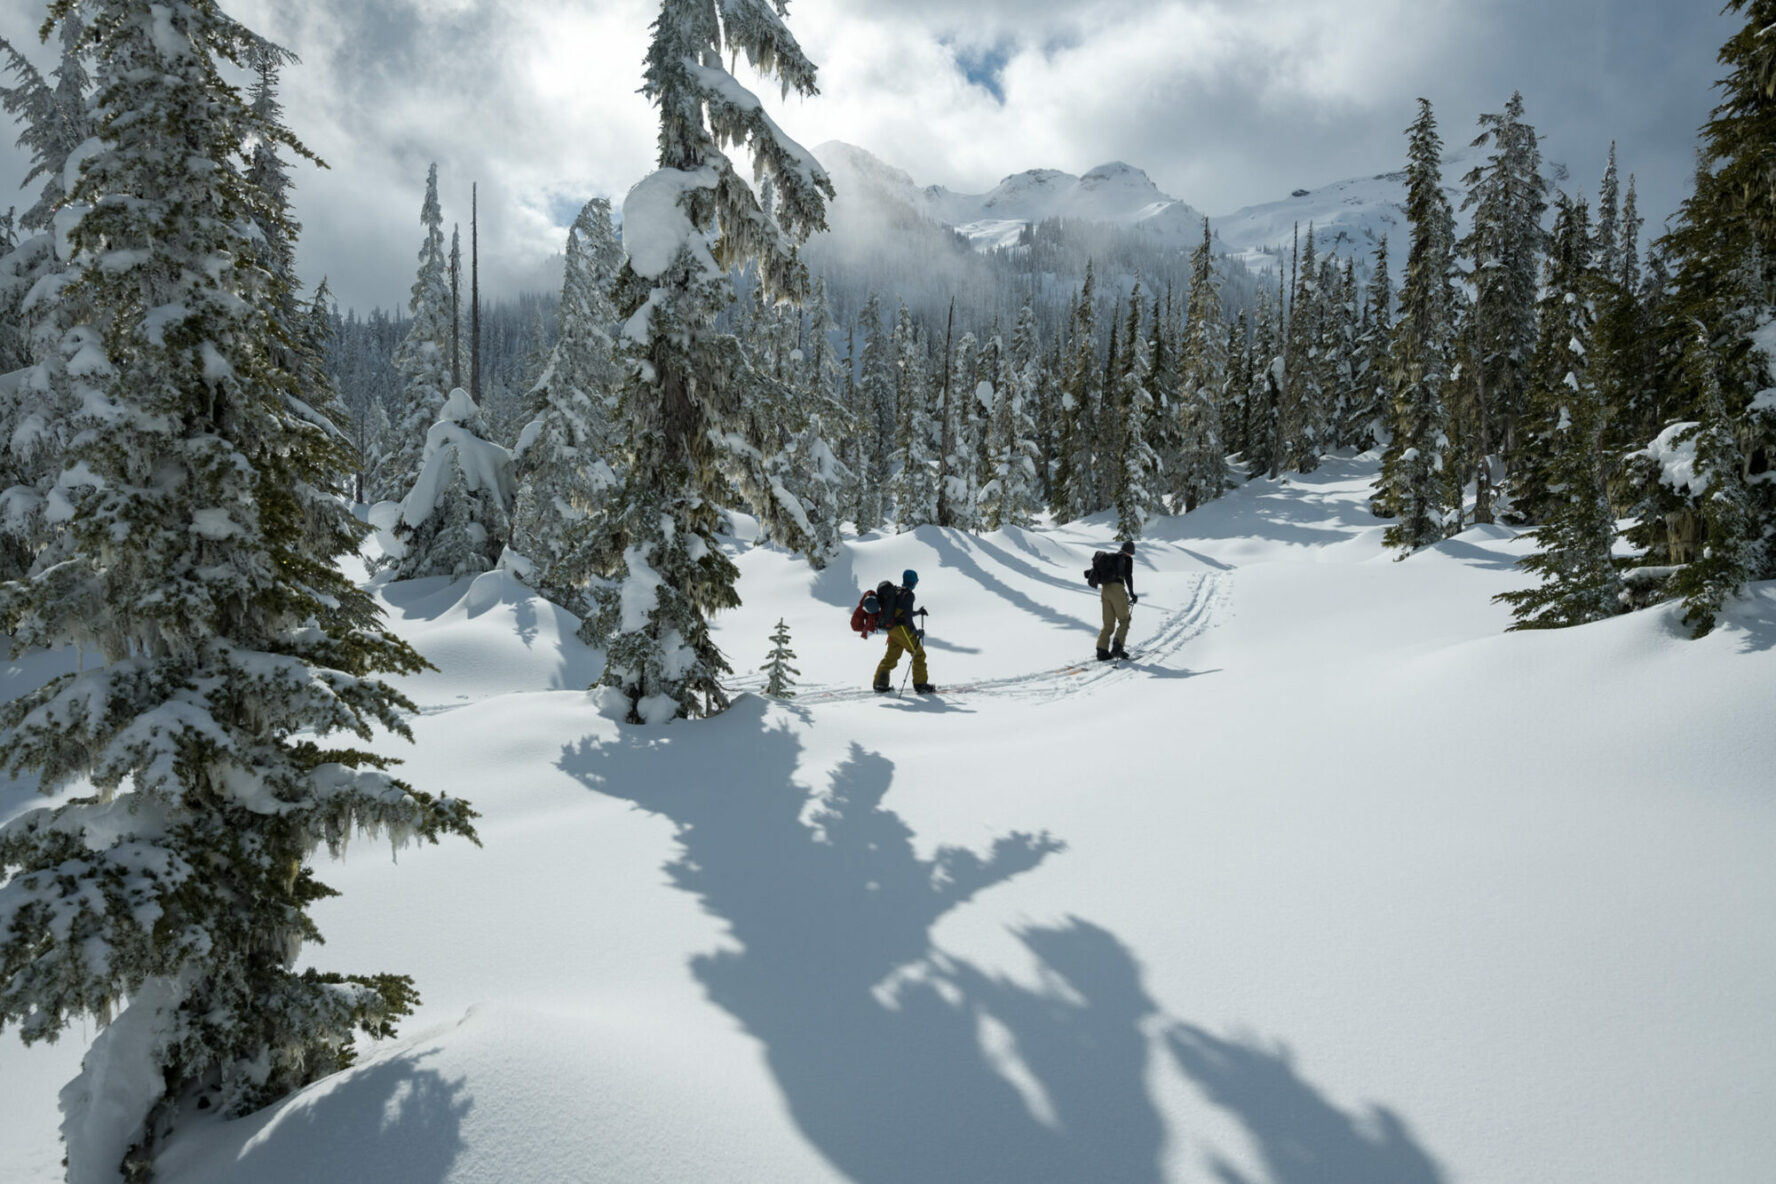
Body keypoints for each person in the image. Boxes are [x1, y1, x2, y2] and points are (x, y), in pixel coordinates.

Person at [873, 568, 934, 693]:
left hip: (892, 629)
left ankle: (880, 683)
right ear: (913, 582)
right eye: (916, 581)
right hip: (901, 629)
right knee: (919, 654)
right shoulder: (909, 595)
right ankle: (920, 684)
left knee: (891, 656)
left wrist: (917, 612)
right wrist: (914, 631)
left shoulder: (897, 592)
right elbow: (906, 616)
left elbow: (902, 612)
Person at [1096, 540, 1137, 661]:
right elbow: (1128, 576)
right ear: (1130, 551)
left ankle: (1101, 651)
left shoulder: (1110, 557)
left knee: (1108, 623)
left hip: (1105, 590)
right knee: (1125, 620)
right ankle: (1117, 648)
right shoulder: (1126, 559)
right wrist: (1132, 593)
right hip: (1117, 589)